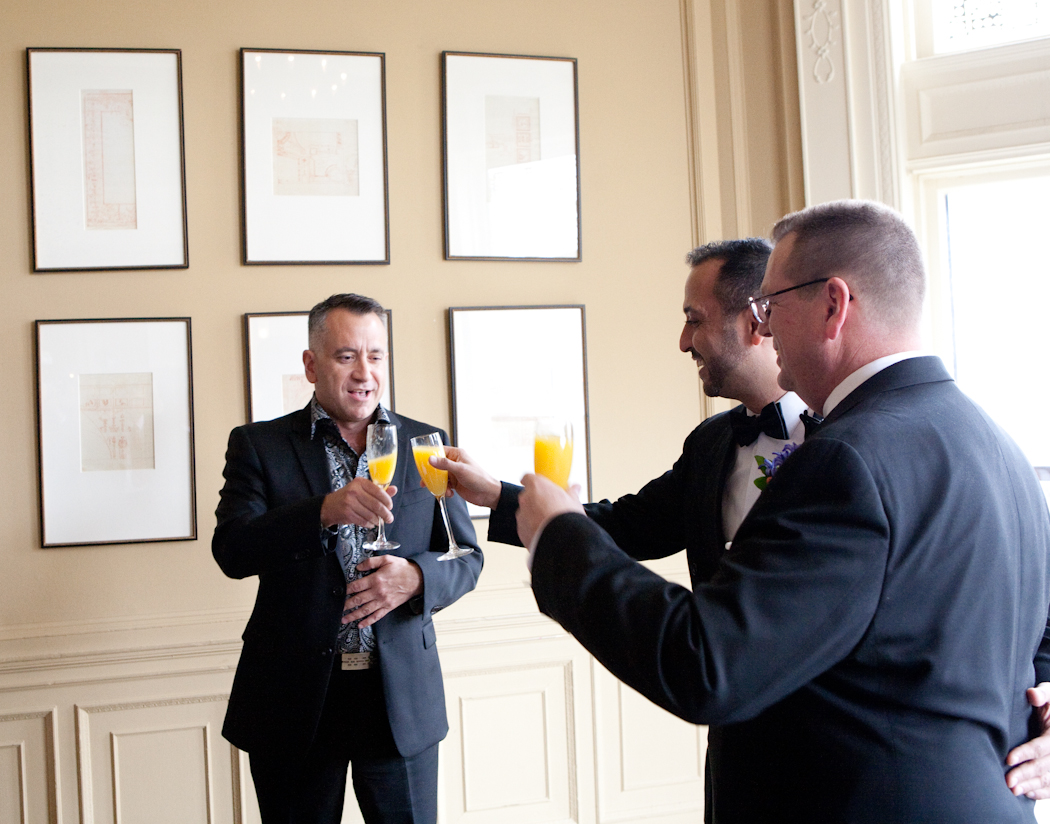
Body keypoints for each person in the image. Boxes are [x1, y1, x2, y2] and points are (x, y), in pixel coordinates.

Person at [440, 206, 1050, 822]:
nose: (767, 324)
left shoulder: (845, 459)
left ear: (833, 305)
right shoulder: (998, 443)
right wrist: (509, 500)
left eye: (772, 303)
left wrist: (558, 538)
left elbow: (709, 662)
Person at [213, 293, 483, 824]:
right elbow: (233, 549)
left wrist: (416, 578)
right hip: (294, 700)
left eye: (376, 356)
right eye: (345, 356)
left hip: (398, 701)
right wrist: (321, 512)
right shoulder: (257, 446)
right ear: (312, 365)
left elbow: (467, 557)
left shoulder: (426, 443)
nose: (365, 372)